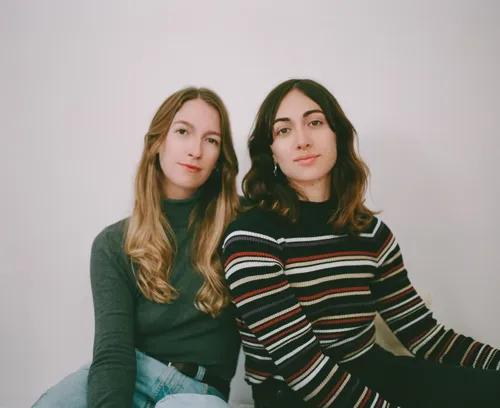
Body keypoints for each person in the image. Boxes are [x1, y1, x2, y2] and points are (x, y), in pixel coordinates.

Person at [221, 79, 500, 407]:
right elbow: (303, 368)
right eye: (284, 130)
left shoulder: (371, 233)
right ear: (271, 151)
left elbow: (424, 335)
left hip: (374, 370)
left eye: (315, 122)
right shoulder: (251, 239)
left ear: (337, 135)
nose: (302, 140)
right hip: (294, 394)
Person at [33, 87, 241, 408]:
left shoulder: (241, 226)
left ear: (220, 158)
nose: (195, 150)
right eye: (183, 132)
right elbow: (113, 351)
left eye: (211, 140)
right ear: (157, 142)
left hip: (199, 391)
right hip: (131, 373)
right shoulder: (113, 244)